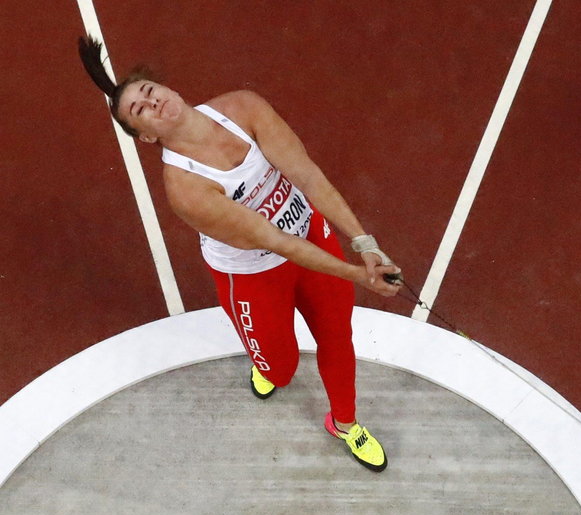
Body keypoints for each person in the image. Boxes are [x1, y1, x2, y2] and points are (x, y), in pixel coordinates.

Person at [78, 35, 401, 472]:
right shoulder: (186, 190)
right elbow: (275, 241)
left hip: (310, 232)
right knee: (281, 371)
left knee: (336, 336)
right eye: (140, 111)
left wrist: (365, 245)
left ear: (168, 89)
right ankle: (265, 365)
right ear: (147, 137)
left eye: (150, 93)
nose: (152, 104)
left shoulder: (244, 107)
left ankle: (344, 422)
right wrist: (356, 274)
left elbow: (305, 173)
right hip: (253, 275)